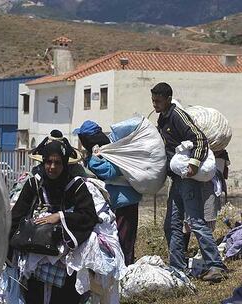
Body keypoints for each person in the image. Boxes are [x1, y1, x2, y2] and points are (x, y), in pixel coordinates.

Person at [151, 82, 227, 282]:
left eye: (158, 101)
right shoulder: (162, 118)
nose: (155, 104)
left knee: (196, 222)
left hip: (188, 178)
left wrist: (193, 163)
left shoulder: (178, 116)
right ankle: (178, 267)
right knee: (171, 224)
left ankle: (215, 265)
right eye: (153, 100)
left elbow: (200, 139)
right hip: (177, 179)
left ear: (168, 99)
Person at [10, 131, 98, 304]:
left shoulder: (76, 186)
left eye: (57, 163)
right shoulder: (34, 183)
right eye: (48, 162)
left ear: (65, 164)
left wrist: (60, 216)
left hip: (65, 261)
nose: (52, 167)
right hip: (35, 256)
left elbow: (89, 216)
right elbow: (17, 215)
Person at [74, 120, 142, 266]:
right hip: (120, 200)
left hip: (124, 201)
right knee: (116, 238)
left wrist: (91, 161)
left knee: (123, 239)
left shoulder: (108, 151)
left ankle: (123, 270)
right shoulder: (107, 148)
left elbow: (110, 171)